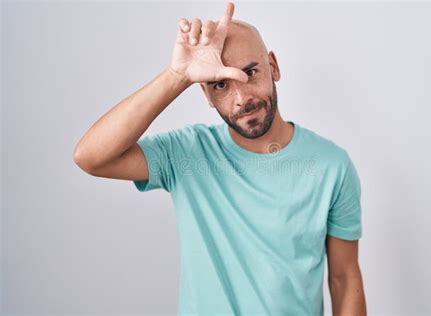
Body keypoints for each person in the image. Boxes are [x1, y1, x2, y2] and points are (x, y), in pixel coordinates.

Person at [73, 2, 367, 315]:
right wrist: (177, 75)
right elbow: (91, 156)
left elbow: (344, 278)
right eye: (221, 84)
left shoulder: (331, 166)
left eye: (250, 72)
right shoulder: (186, 154)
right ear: (207, 95)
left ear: (274, 67)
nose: (242, 98)